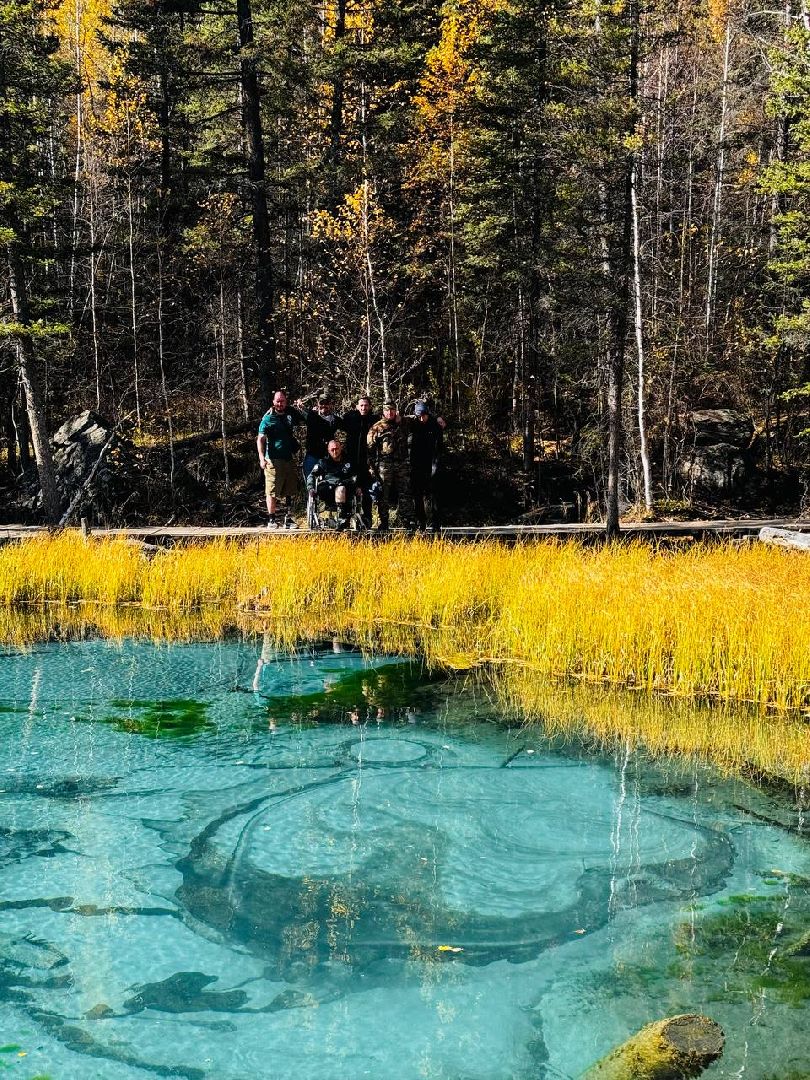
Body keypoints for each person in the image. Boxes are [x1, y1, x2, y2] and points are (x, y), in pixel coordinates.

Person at [257, 390, 306, 528]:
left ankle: (288, 519)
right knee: (272, 490)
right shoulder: (267, 419)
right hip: (273, 459)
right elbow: (260, 439)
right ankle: (271, 519)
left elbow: (306, 418)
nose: (280, 404)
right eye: (277, 401)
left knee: (289, 490)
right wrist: (261, 458)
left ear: (286, 401)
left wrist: (303, 407)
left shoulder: (290, 413)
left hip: (288, 458)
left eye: (282, 401)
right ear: (273, 402)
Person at [366, 401, 415, 530]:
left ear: (396, 411)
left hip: (402, 463)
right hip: (385, 464)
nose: (390, 413)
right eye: (387, 410)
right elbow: (370, 450)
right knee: (383, 495)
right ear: (383, 412)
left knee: (405, 492)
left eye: (392, 410)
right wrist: (372, 468)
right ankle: (384, 522)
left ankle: (408, 521)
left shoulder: (404, 423)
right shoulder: (377, 427)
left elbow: (419, 421)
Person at [338, 394, 378, 525]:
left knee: (366, 490)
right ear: (357, 406)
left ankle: (367, 518)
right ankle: (346, 518)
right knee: (349, 487)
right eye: (361, 405)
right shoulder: (350, 417)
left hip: (367, 461)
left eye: (366, 405)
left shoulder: (375, 420)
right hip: (351, 459)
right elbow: (334, 423)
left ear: (370, 406)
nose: (364, 408)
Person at [306, 439, 361, 530]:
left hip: (345, 489)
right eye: (332, 449)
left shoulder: (348, 462)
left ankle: (342, 518)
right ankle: (340, 519)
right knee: (339, 489)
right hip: (327, 489)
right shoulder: (322, 462)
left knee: (341, 489)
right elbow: (311, 476)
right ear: (328, 450)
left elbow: (356, 475)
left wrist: (358, 487)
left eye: (337, 449)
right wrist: (311, 488)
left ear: (341, 448)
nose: (335, 451)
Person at [408, 401, 443, 531]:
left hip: (432, 463)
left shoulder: (435, 425)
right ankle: (420, 522)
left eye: (424, 415)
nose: (422, 418)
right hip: (416, 465)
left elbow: (440, 448)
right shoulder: (412, 425)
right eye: (419, 415)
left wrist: (436, 466)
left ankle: (436, 523)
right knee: (417, 494)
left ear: (428, 414)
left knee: (434, 495)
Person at [300, 395, 341, 481]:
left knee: (326, 485)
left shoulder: (335, 420)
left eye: (327, 403)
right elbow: (293, 413)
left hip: (326, 458)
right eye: (322, 403)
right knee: (309, 484)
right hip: (312, 456)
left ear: (330, 405)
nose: (324, 406)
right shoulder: (311, 416)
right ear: (318, 404)